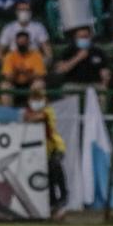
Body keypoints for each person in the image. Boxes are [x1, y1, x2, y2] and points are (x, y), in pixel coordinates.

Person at [22, 79, 67, 218]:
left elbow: (40, 117)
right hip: (39, 152)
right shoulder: (26, 112)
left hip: (55, 146)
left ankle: (64, 196)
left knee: (55, 166)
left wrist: (30, 116)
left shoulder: (48, 111)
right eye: (34, 96)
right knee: (47, 177)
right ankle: (53, 205)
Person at [0, 30, 46, 105]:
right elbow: (8, 77)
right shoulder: (10, 56)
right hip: (15, 83)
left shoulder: (36, 55)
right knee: (4, 85)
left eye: (24, 42)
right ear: (16, 42)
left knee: (39, 84)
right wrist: (16, 71)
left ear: (28, 42)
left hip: (31, 83)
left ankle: (36, 110)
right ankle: (7, 111)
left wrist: (26, 72)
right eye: (20, 42)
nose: (22, 44)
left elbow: (40, 75)